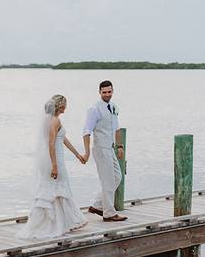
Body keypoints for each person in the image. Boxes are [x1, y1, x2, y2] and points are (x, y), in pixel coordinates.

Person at [17, 95, 89, 240]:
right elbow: (51, 144)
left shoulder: (50, 121)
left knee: (53, 190)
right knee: (58, 189)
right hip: (54, 159)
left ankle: (62, 222)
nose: (66, 107)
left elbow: (63, 139)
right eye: (65, 104)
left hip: (52, 158)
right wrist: (55, 166)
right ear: (60, 106)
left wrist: (77, 154)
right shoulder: (55, 121)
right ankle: (55, 224)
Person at [83, 80, 127, 222]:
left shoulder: (113, 107)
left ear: (113, 91)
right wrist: (87, 152)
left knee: (117, 177)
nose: (107, 94)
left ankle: (97, 205)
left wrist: (120, 146)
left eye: (109, 92)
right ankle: (109, 213)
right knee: (107, 181)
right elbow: (86, 131)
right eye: (104, 92)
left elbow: (117, 128)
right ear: (100, 92)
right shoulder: (94, 109)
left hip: (111, 148)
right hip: (100, 148)